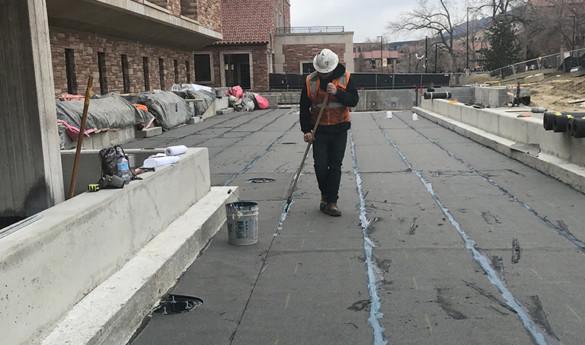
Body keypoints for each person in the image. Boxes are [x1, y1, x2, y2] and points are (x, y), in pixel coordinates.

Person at [299, 49, 359, 216]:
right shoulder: (310, 81)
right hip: (319, 131)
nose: (323, 75)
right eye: (320, 72)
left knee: (335, 165)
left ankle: (332, 201)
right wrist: (306, 130)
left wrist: (338, 93)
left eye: (326, 72)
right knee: (320, 165)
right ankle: (324, 195)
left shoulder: (346, 78)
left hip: (339, 128)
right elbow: (304, 107)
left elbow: (353, 101)